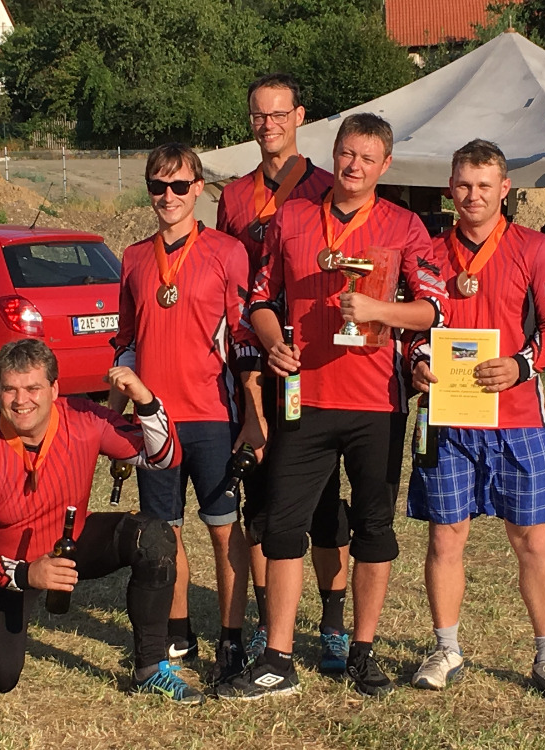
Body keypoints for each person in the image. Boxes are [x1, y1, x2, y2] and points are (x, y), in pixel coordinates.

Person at [219, 113, 448, 699]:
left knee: (373, 529)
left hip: (377, 402)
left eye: (368, 158)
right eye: (347, 153)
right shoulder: (292, 217)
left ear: (385, 165)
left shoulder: (405, 224)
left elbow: (434, 310)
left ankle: (362, 652)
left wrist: (378, 312)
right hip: (307, 398)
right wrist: (272, 342)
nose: (354, 166)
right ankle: (278, 658)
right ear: (334, 152)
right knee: (283, 527)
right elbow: (260, 300)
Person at [405, 140, 545, 702]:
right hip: (448, 417)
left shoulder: (534, 247)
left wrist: (521, 365)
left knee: (531, 538)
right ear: (449, 188)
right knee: (445, 535)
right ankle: (446, 647)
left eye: (484, 185)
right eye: (463, 185)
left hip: (518, 418)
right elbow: (412, 329)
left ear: (505, 189)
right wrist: (417, 362)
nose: (473, 196)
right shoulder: (428, 252)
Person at [0, 339, 203, 703]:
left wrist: (145, 401)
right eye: (10, 389)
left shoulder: (84, 418)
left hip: (71, 540)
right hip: (11, 566)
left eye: (32, 388)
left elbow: (163, 457)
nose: (21, 401)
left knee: (154, 537)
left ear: (54, 389)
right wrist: (27, 574)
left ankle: (150, 669)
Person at [215, 72, 352, 672]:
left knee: (324, 500)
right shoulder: (233, 196)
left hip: (311, 362)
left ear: (300, 116)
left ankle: (333, 622)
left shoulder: (325, 186)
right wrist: (246, 366)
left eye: (277, 114)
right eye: (258, 115)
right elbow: (229, 281)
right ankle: (270, 622)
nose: (267, 124)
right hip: (253, 362)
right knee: (261, 497)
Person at [112, 143, 262, 687]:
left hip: (212, 416)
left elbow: (244, 340)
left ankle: (231, 636)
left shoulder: (226, 251)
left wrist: (254, 416)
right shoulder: (133, 257)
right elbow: (126, 344)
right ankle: (179, 631)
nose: (168, 196)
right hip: (155, 421)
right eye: (158, 186)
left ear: (199, 188)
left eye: (179, 186)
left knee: (224, 530)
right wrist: (114, 419)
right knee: (164, 534)